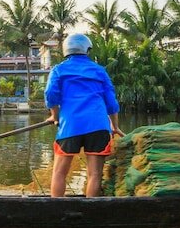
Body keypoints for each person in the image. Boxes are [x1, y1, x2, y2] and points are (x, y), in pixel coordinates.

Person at [44, 33, 122, 197]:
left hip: (70, 125)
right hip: (98, 126)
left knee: (59, 173)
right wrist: (114, 127)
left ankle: (55, 210)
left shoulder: (59, 70)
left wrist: (55, 116)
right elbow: (111, 103)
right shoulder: (99, 71)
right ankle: (90, 212)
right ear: (87, 50)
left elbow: (51, 95)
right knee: (94, 175)